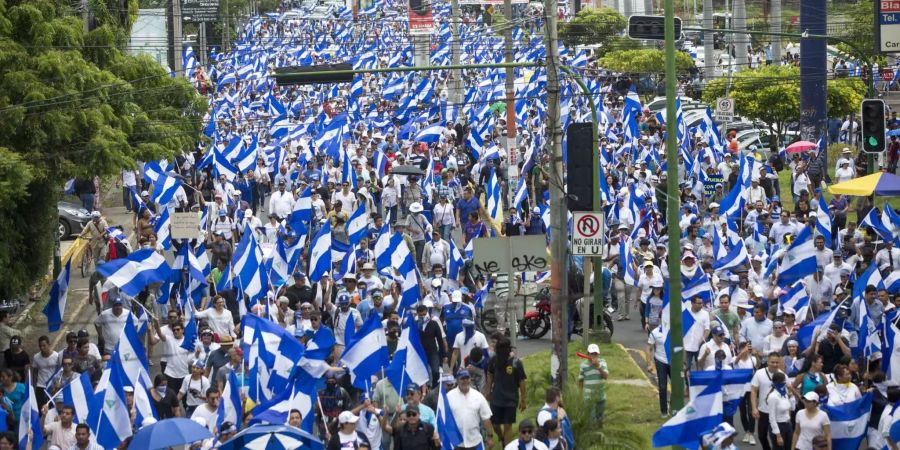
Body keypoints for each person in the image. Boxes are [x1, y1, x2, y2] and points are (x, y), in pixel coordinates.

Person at [485, 337, 527, 445]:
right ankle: (501, 437)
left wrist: (524, 399)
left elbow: (522, 381)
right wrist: (488, 391)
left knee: (508, 426)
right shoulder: (494, 360)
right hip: (496, 399)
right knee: (495, 424)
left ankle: (507, 447)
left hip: (511, 400)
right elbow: (490, 375)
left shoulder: (516, 363)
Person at [446, 369, 495, 450]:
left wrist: (490, 437)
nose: (465, 381)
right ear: (457, 380)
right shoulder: (448, 397)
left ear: (470, 379)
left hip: (475, 442)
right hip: (456, 443)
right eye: (462, 379)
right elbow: (444, 419)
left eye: (467, 378)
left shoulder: (478, 396)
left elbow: (486, 419)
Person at [751, 353, 783, 450]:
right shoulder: (759, 373)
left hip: (777, 412)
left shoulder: (782, 374)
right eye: (772, 362)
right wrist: (754, 408)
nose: (774, 364)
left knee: (775, 437)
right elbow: (753, 390)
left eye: (777, 362)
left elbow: (788, 389)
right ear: (768, 362)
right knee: (761, 435)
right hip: (763, 411)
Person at [577, 343, 608, 422]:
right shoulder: (583, 365)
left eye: (595, 354)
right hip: (589, 397)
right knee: (591, 420)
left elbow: (605, 376)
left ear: (598, 354)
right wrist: (580, 395)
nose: (594, 356)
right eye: (592, 354)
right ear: (588, 354)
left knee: (600, 419)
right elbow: (581, 380)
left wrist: (598, 366)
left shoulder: (602, 362)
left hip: (601, 396)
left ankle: (599, 432)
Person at [765, 372, 793, 450]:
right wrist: (778, 435)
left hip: (788, 425)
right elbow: (772, 417)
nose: (783, 384)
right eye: (780, 382)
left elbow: (792, 408)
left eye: (783, 381)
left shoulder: (785, 394)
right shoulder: (773, 397)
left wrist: (791, 396)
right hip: (778, 426)